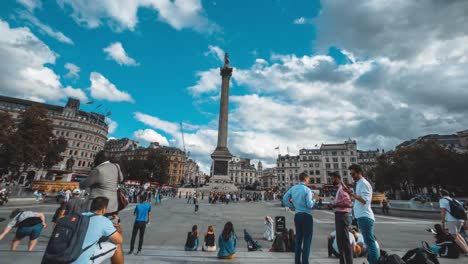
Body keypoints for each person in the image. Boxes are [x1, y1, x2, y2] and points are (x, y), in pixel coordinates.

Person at [343, 164, 380, 264]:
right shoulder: (359, 183)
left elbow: (365, 200)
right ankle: (373, 261)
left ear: (359, 172)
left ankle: (375, 262)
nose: (352, 176)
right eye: (350, 174)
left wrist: (351, 194)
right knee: (369, 242)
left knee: (370, 243)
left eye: (353, 174)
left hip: (365, 216)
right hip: (362, 216)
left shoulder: (364, 183)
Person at [72, 197, 123, 264]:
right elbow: (118, 240)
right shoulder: (102, 220)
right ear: (104, 209)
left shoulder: (79, 216)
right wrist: (119, 230)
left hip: (66, 255)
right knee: (116, 246)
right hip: (80, 260)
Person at [282, 172, 319, 264]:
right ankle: (305, 261)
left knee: (298, 239)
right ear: (306, 179)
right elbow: (310, 205)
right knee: (307, 240)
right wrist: (315, 198)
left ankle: (297, 261)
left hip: (297, 215)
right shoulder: (307, 190)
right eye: (308, 180)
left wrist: (291, 205)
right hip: (306, 216)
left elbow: (284, 198)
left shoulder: (293, 188)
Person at [329, 171, 353, 264]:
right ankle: (343, 261)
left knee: (345, 242)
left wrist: (335, 204)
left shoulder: (342, 188)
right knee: (340, 242)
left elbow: (348, 203)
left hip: (342, 216)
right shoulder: (340, 188)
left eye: (332, 179)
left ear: (337, 178)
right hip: (340, 215)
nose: (331, 180)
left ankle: (348, 262)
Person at [439, 189, 468, 253]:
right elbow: (463, 210)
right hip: (460, 220)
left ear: (441, 194)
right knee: (458, 235)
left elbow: (443, 212)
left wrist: (443, 222)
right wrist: (465, 222)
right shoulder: (455, 200)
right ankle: (467, 249)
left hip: (451, 221)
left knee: (455, 238)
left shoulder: (442, 200)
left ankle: (466, 251)